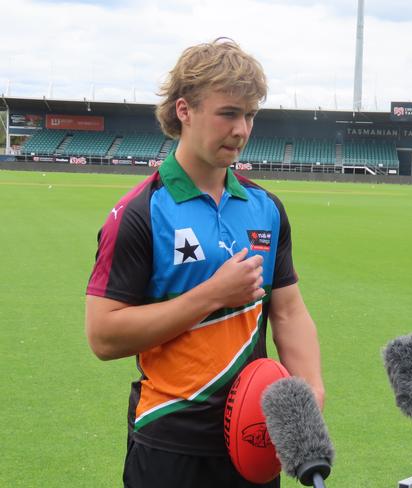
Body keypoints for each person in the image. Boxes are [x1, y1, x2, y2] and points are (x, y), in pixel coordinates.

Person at [85, 38, 324, 488]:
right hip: (169, 442)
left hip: (255, 438)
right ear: (185, 110)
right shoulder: (140, 213)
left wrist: (311, 388)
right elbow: (103, 336)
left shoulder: (265, 207)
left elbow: (289, 311)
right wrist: (211, 295)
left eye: (250, 115)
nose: (242, 129)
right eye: (229, 113)